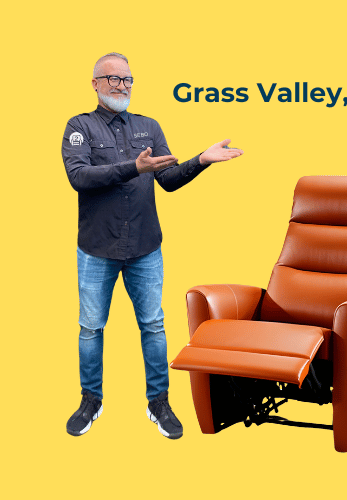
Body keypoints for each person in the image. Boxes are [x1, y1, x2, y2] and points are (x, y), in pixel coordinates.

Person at [61, 52, 243, 439]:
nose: (122, 86)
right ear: (95, 83)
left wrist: (202, 160)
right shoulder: (79, 127)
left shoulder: (148, 126)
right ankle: (91, 399)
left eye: (128, 79)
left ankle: (158, 400)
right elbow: (79, 177)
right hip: (97, 249)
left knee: (154, 325)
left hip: (145, 247)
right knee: (91, 328)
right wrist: (133, 168)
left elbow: (169, 179)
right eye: (113, 79)